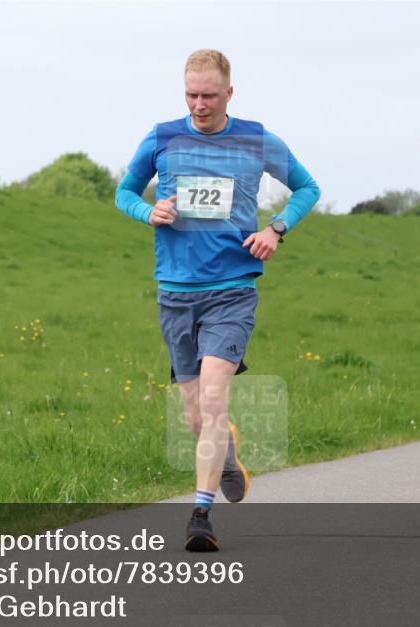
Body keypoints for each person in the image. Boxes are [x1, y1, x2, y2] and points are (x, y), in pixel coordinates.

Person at [115, 49, 320, 551]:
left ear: (229, 93)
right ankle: (226, 459)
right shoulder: (163, 136)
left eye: (208, 95)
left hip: (232, 290)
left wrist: (276, 228)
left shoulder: (254, 138)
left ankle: (200, 515)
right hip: (176, 294)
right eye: (191, 94)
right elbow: (124, 192)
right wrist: (149, 211)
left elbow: (307, 188)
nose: (199, 104)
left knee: (212, 399)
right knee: (195, 416)